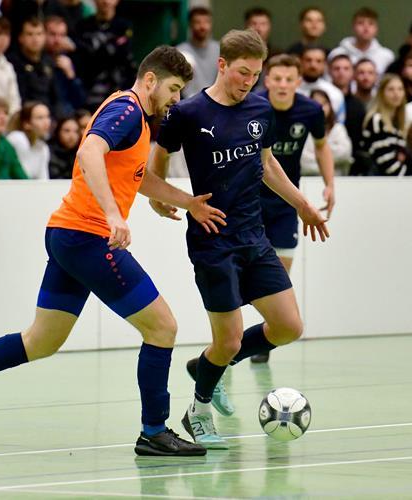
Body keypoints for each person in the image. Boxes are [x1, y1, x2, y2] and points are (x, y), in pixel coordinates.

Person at [0, 46, 227, 457]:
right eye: (173, 89)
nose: (176, 99)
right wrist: (114, 215)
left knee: (40, 341)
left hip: (68, 235)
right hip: (88, 237)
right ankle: (154, 430)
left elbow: (137, 176)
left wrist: (186, 201)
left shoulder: (135, 116)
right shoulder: (129, 109)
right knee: (162, 328)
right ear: (150, 80)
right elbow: (89, 152)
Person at [151, 29, 329, 448]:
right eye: (242, 73)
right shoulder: (188, 113)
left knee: (288, 326)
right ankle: (198, 409)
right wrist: (169, 201)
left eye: (256, 74)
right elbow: (153, 169)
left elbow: (266, 165)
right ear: (223, 65)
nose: (248, 81)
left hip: (254, 235)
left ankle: (207, 366)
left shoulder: (260, 109)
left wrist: (303, 203)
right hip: (213, 239)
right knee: (228, 339)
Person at [251, 54, 336, 363]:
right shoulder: (253, 107)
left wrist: (330, 183)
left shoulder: (311, 110)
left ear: (299, 82)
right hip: (250, 200)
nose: (283, 85)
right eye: (277, 79)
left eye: (290, 79)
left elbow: (322, 147)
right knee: (238, 275)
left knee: (276, 276)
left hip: (288, 202)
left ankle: (264, 338)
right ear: (267, 80)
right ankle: (231, 338)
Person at [360, 73, 409, 176]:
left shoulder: (397, 122)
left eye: (400, 89)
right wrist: (408, 180)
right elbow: (386, 163)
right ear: (381, 93)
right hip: (380, 182)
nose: (396, 94)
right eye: (391, 89)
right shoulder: (376, 120)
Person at [301, 89, 353, 176]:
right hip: (309, 181)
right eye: (316, 103)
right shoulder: (302, 130)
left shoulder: (338, 129)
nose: (321, 107)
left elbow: (345, 154)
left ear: (330, 105)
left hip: (340, 181)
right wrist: (329, 164)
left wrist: (318, 154)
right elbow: (303, 162)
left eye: (324, 103)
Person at [331, 7, 394, 74]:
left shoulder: (386, 56)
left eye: (371, 23)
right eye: (360, 23)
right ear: (353, 27)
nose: (366, 27)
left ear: (376, 29)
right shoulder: (337, 54)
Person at [176, 6, 219, 99]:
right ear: (190, 24)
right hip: (187, 103)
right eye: (197, 22)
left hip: (215, 104)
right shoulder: (180, 51)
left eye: (206, 22)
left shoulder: (219, 50)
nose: (202, 26)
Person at [7, 101, 52, 180]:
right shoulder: (17, 138)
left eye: (48, 117)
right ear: (27, 123)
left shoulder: (43, 148)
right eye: (40, 118)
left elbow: (43, 180)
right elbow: (21, 177)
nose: (46, 122)